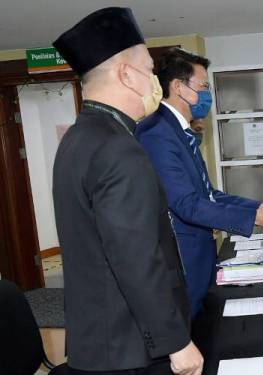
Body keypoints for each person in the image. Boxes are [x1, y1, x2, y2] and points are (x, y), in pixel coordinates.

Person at [52, 8, 202, 375]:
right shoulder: (117, 147)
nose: (155, 81)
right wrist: (177, 343)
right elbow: (135, 258)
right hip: (131, 348)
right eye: (150, 71)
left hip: (100, 342)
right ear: (126, 75)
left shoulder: (79, 138)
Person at [136, 48, 263, 318]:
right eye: (203, 86)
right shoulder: (157, 133)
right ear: (178, 87)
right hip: (181, 262)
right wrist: (256, 217)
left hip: (198, 258)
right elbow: (186, 204)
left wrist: (261, 206)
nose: (207, 94)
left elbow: (208, 194)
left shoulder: (178, 130)